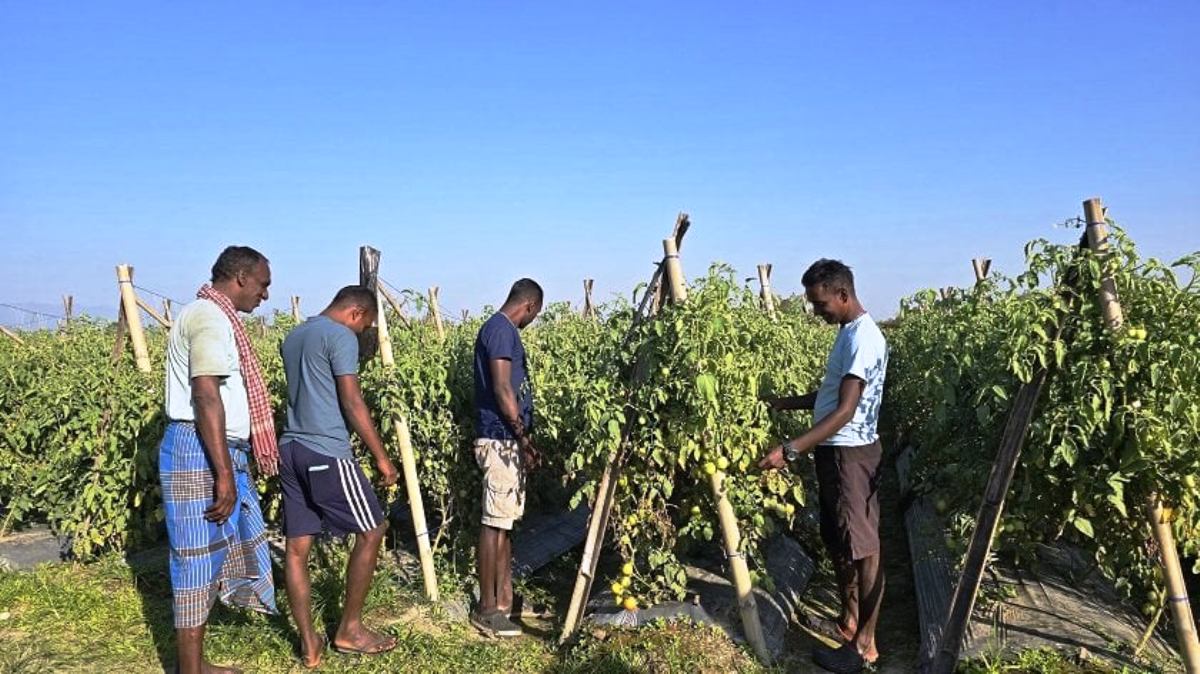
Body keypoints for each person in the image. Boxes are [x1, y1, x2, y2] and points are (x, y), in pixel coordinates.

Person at [758, 259, 888, 674]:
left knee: (865, 551)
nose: (817, 312)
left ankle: (864, 646)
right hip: (834, 452)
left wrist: (790, 449)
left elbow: (847, 410)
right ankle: (849, 623)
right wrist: (787, 403)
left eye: (820, 304)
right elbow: (831, 393)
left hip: (852, 454)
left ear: (843, 295)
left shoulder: (864, 339)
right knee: (840, 542)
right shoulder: (848, 333)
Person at [159, 245, 280, 674]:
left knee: (213, 551)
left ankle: (196, 662)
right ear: (242, 278)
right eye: (263, 284)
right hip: (201, 449)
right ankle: (190, 669)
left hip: (215, 449)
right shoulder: (209, 317)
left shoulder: (214, 317)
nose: (265, 295)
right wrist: (224, 475)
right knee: (195, 557)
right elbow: (206, 394)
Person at [278, 285, 400, 667]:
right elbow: (351, 399)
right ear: (356, 314)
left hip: (290, 449)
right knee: (373, 530)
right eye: (366, 326)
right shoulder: (340, 336)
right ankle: (349, 630)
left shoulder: (295, 335)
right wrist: (382, 458)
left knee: (297, 549)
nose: (363, 334)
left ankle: (310, 645)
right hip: (325, 451)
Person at [470, 278, 543, 638]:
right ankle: (486, 609)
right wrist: (523, 437)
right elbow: (502, 388)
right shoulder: (500, 331)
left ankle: (502, 600)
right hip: (499, 439)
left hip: (507, 440)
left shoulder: (503, 331)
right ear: (529, 306)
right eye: (535, 315)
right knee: (493, 522)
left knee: (504, 521)